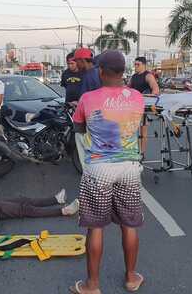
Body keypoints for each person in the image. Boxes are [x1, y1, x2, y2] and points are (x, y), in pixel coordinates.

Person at [71, 50, 145, 293]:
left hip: (99, 168)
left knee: (96, 227)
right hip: (129, 168)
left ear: (100, 71)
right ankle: (132, 277)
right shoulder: (136, 97)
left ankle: (92, 284)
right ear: (123, 71)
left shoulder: (88, 98)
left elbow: (79, 128)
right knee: (129, 225)